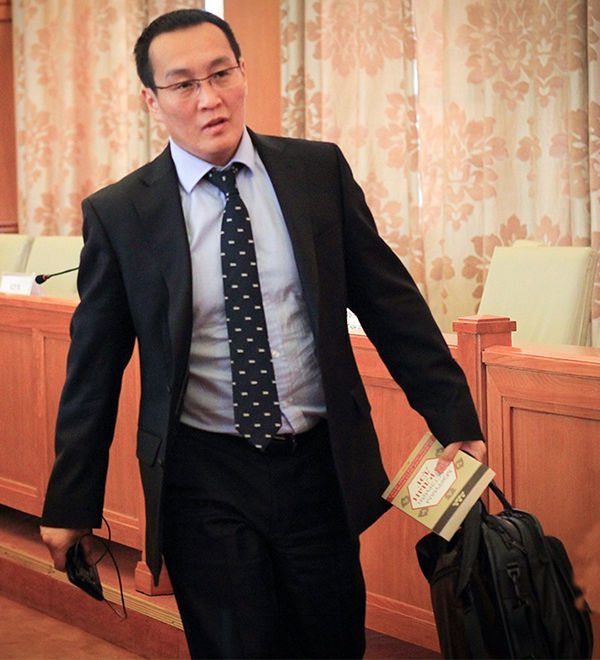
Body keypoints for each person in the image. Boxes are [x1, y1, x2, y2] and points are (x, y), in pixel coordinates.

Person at [40, 8, 485, 659]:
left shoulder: (315, 174)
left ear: (243, 72)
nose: (209, 99)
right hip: (203, 476)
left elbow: (392, 305)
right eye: (184, 84)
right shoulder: (122, 213)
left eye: (221, 74)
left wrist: (455, 420)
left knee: (332, 642)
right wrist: (70, 501)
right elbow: (94, 370)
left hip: (318, 467)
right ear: (151, 99)